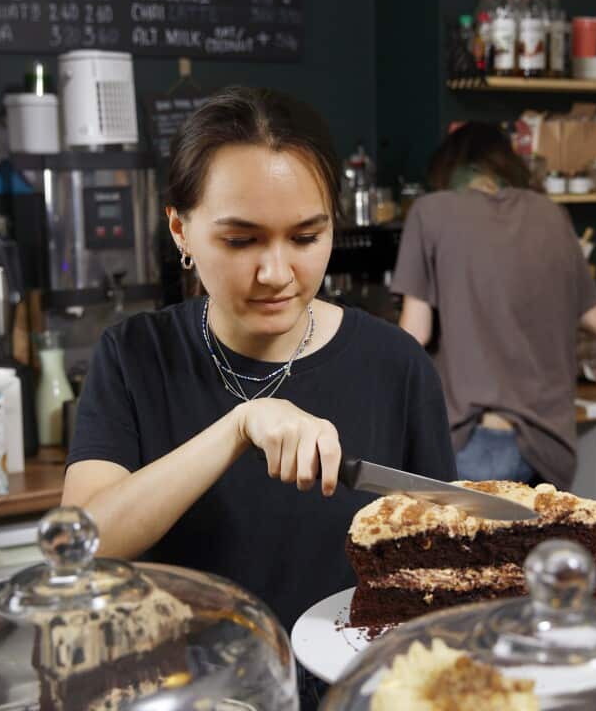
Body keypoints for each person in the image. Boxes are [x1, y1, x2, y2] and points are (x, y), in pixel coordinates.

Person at [62, 87, 457, 634]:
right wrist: (239, 426)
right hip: (198, 689)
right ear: (182, 230)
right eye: (242, 240)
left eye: (305, 237)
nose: (276, 272)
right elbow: (80, 544)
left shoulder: (397, 365)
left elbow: (437, 563)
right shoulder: (134, 356)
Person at [391, 122, 596, 489]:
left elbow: (414, 334)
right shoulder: (551, 213)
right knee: (534, 548)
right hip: (550, 444)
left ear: (447, 169)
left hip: (473, 439)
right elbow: (595, 319)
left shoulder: (431, 211)